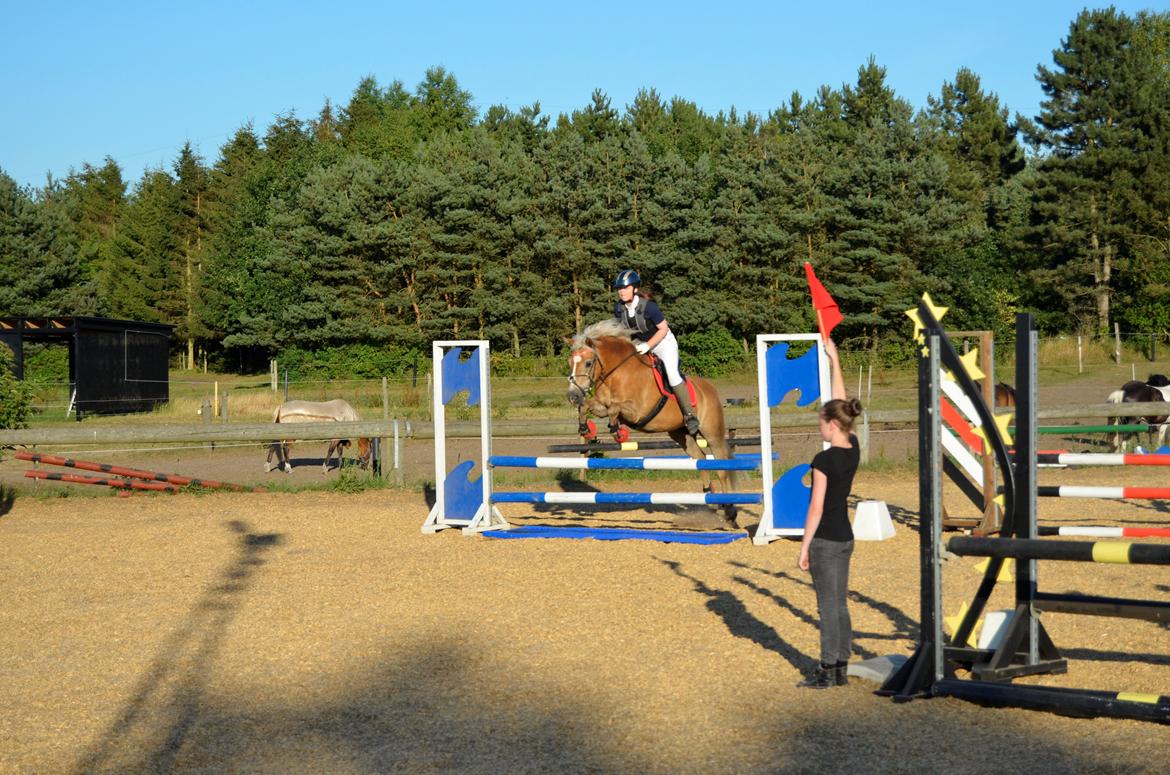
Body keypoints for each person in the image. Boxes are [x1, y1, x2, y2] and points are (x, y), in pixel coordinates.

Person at [797, 336, 863, 689]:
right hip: (846, 537)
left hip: (824, 540)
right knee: (840, 604)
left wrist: (804, 546)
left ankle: (826, 670)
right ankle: (841, 666)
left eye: (822, 422)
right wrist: (834, 359)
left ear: (832, 426)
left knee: (827, 607)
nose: (819, 426)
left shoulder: (823, 459)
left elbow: (816, 507)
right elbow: (840, 402)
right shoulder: (852, 447)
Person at [611, 269, 701, 435]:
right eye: (619, 288)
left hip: (662, 342)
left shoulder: (649, 307)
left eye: (625, 288)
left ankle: (689, 415)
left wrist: (648, 345)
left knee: (673, 375)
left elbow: (663, 328)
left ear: (635, 289)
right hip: (640, 343)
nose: (621, 291)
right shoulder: (619, 308)